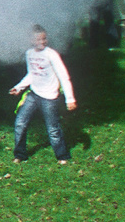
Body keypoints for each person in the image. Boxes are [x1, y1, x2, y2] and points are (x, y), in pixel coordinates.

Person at [8, 25, 77, 163]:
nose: (42, 42)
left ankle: (62, 156)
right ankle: (20, 154)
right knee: (20, 123)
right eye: (38, 39)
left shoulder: (51, 54)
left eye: (44, 39)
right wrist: (18, 87)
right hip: (33, 94)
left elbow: (63, 76)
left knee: (53, 129)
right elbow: (31, 74)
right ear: (31, 40)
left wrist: (70, 99)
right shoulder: (29, 54)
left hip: (50, 97)